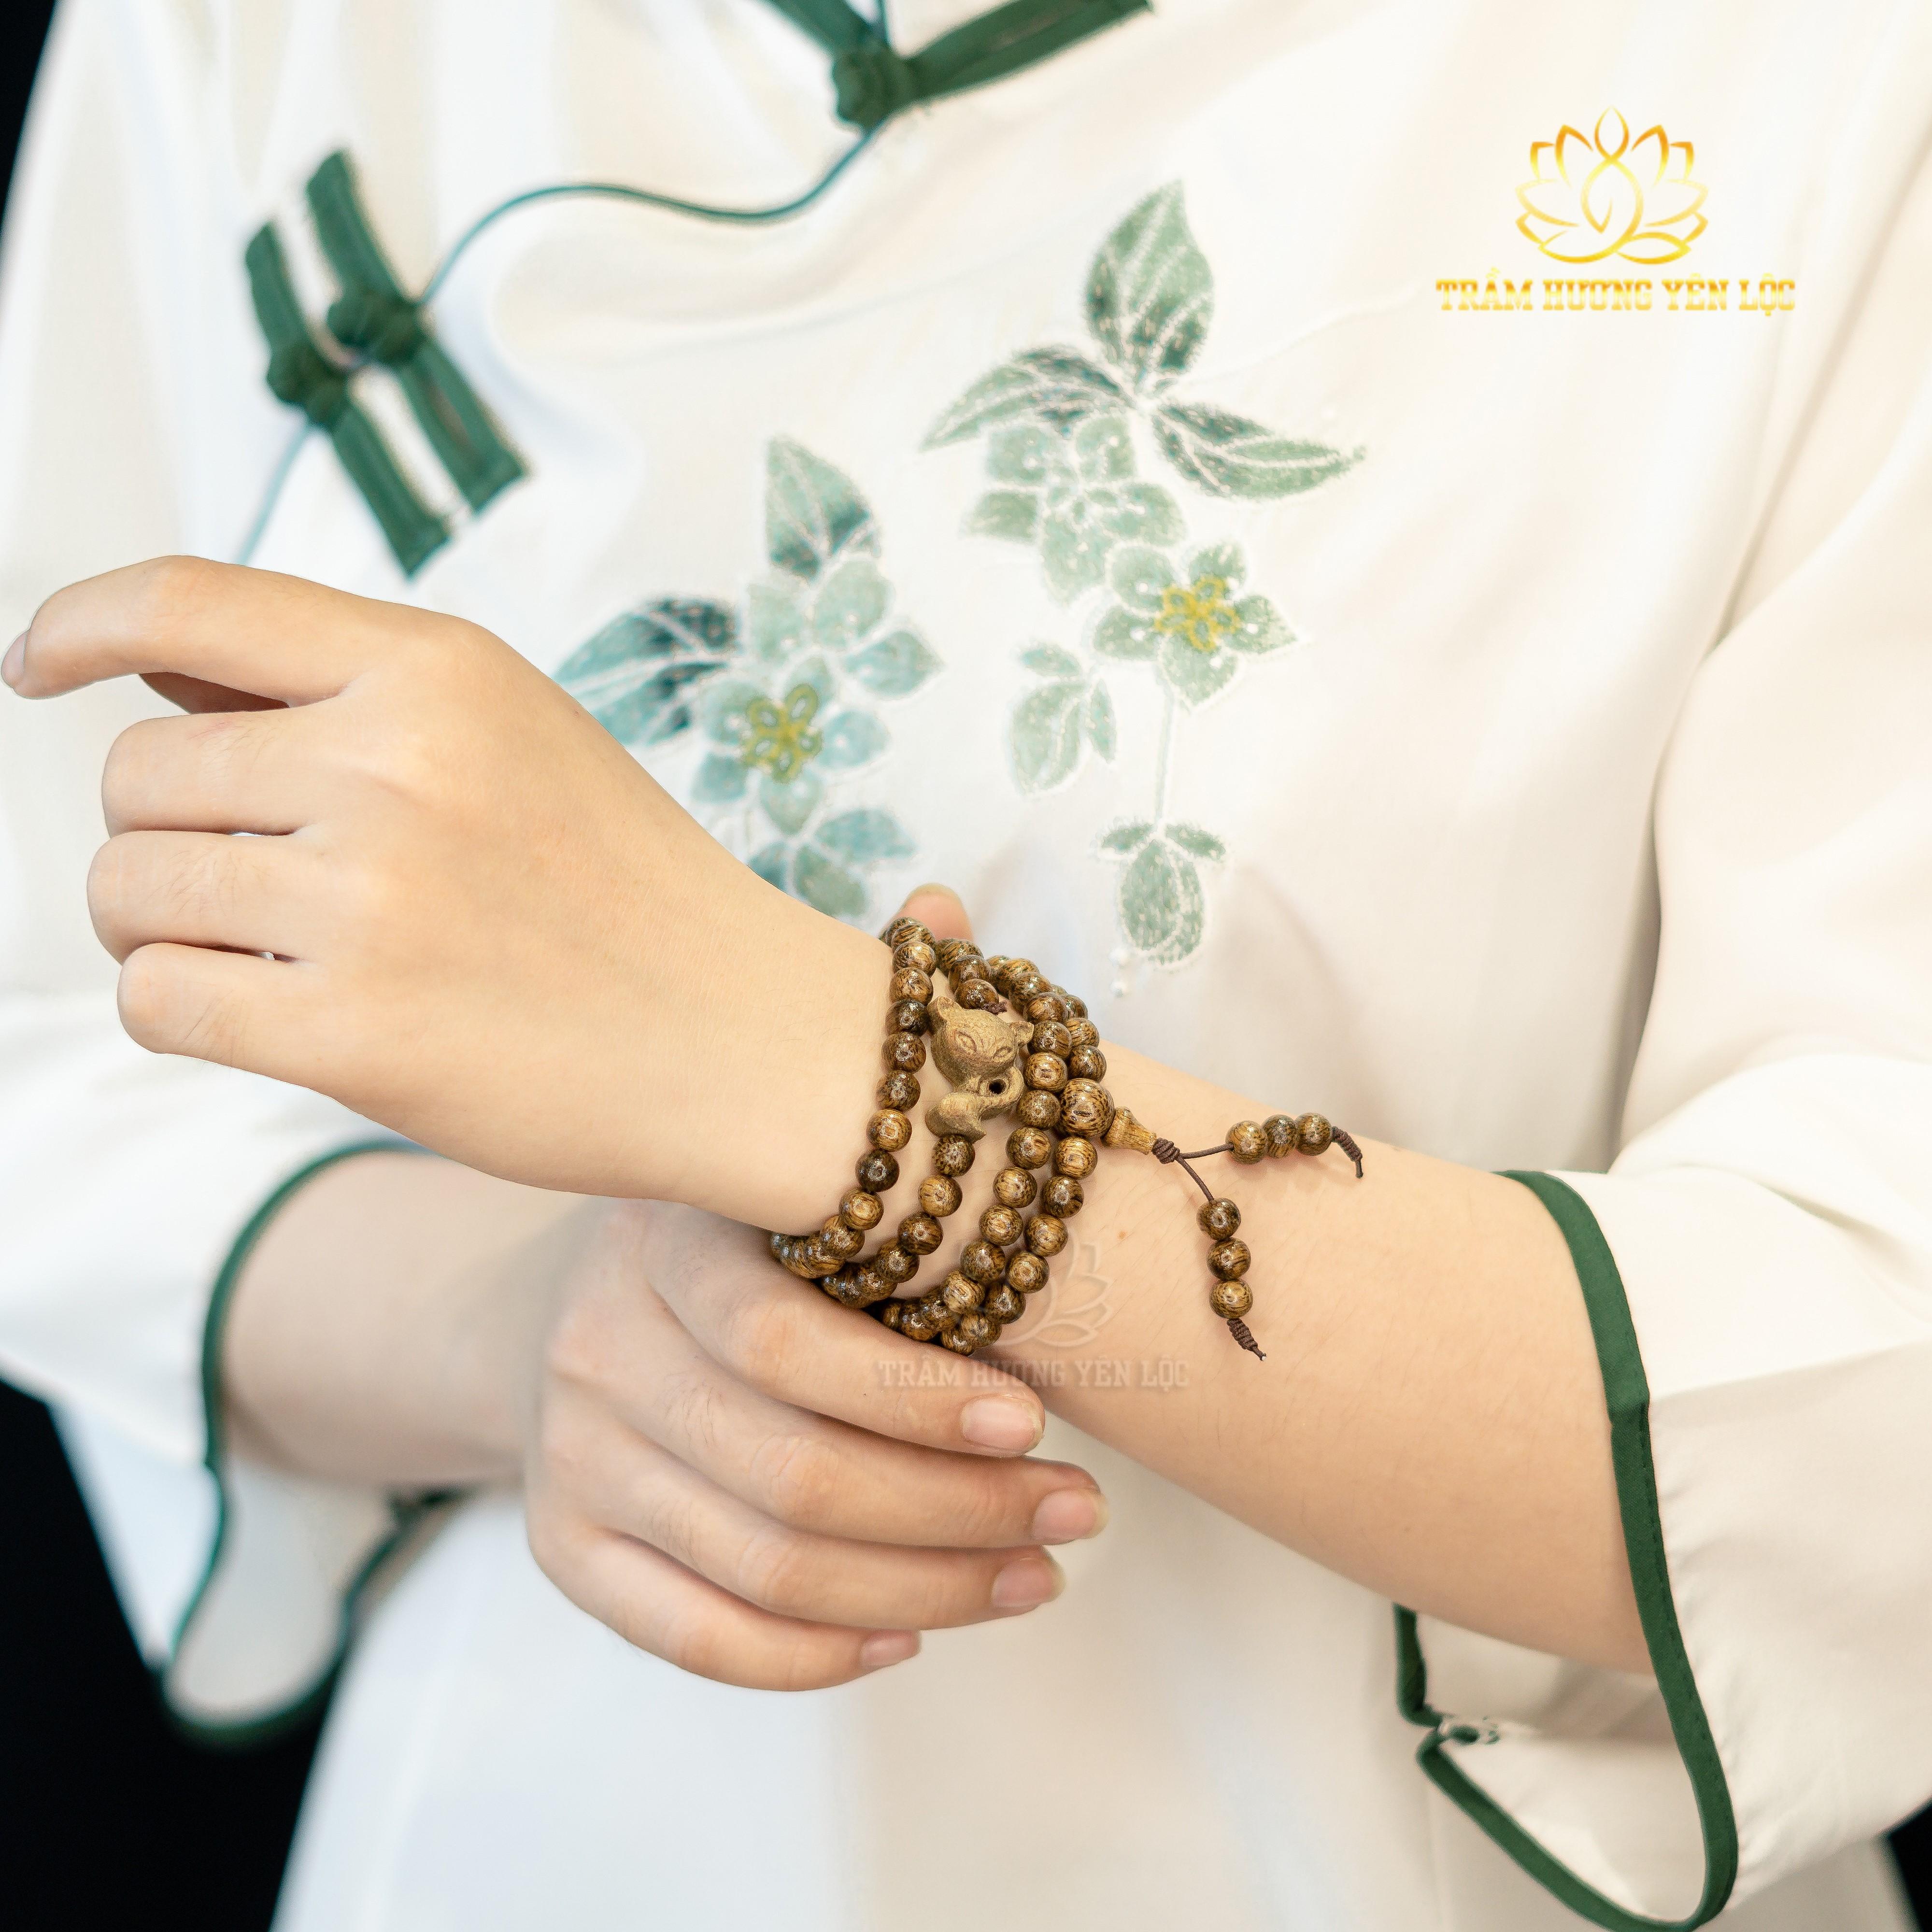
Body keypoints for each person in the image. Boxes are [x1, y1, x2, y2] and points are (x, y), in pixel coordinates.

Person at [2, 1, 1931, 1927]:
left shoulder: (1811, 71)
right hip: (547, 1830)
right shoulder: (241, 34)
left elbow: (1867, 1407)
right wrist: (527, 1339)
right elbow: (55, 1048)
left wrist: (830, 1074)